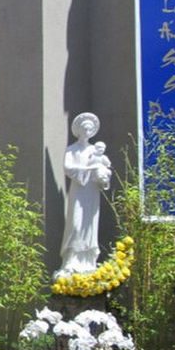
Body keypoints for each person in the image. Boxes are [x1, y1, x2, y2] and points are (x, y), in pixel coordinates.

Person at [58, 112, 112, 276]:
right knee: (76, 223)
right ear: (79, 130)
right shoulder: (72, 149)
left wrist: (102, 175)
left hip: (91, 191)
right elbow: (68, 168)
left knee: (90, 224)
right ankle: (70, 260)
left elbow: (106, 169)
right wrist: (89, 169)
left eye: (90, 129)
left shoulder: (95, 151)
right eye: (85, 128)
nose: (87, 131)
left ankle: (88, 260)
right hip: (78, 190)